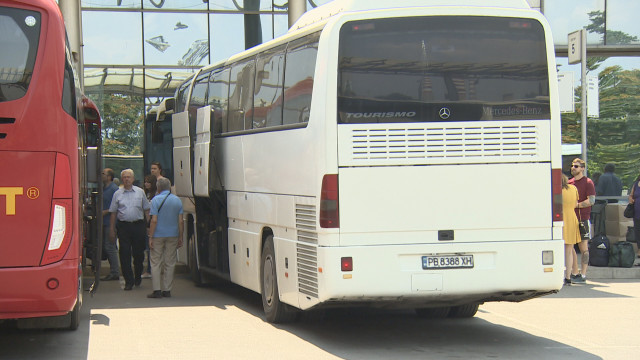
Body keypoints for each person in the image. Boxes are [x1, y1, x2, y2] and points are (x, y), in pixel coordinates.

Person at [109, 169, 150, 291]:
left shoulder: (140, 192)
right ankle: (129, 281)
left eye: (129, 177)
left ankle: (138, 276)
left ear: (133, 179)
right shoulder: (117, 194)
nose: (127, 179)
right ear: (122, 179)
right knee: (124, 254)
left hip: (138, 226)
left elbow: (147, 210)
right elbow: (113, 213)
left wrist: (148, 227)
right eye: (125, 177)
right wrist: (111, 229)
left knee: (138, 254)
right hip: (123, 227)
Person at [147, 177, 184, 299]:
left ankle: (157, 290)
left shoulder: (155, 200)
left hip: (158, 234)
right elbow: (180, 221)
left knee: (156, 262)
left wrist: (150, 237)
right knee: (170, 262)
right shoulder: (177, 201)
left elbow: (154, 220)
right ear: (169, 187)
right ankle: (167, 290)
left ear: (158, 187)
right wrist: (181, 236)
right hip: (173, 234)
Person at [568, 158, 596, 284]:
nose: (573, 168)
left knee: (583, 247)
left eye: (576, 166)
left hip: (583, 218)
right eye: (573, 166)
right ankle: (574, 271)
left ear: (583, 168)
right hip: (571, 218)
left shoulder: (588, 182)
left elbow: (591, 200)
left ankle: (583, 274)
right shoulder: (569, 183)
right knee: (570, 245)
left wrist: (577, 205)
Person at [100, 168, 120, 281]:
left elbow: (117, 206)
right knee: (107, 246)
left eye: (104, 174)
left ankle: (115, 272)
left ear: (109, 177)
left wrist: (105, 211)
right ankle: (113, 270)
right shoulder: (103, 188)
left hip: (110, 222)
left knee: (110, 246)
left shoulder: (114, 189)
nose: (101, 175)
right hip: (104, 222)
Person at [561, 174, 581, 286]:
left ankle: (560, 274)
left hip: (561, 218)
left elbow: (557, 204)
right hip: (572, 218)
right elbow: (575, 204)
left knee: (560, 248)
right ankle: (568, 277)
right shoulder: (573, 188)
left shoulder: (558, 191)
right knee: (569, 249)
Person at [141, 174, 157, 279]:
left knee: (150, 248)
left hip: (151, 222)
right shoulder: (144, 194)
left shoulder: (155, 195)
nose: (146, 184)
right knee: (147, 248)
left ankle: (150, 270)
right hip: (143, 222)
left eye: (149, 182)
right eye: (145, 181)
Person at [628, 173, 640, 258]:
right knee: (638, 232)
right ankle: (639, 249)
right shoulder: (636, 184)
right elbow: (631, 195)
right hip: (637, 212)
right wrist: (631, 199)